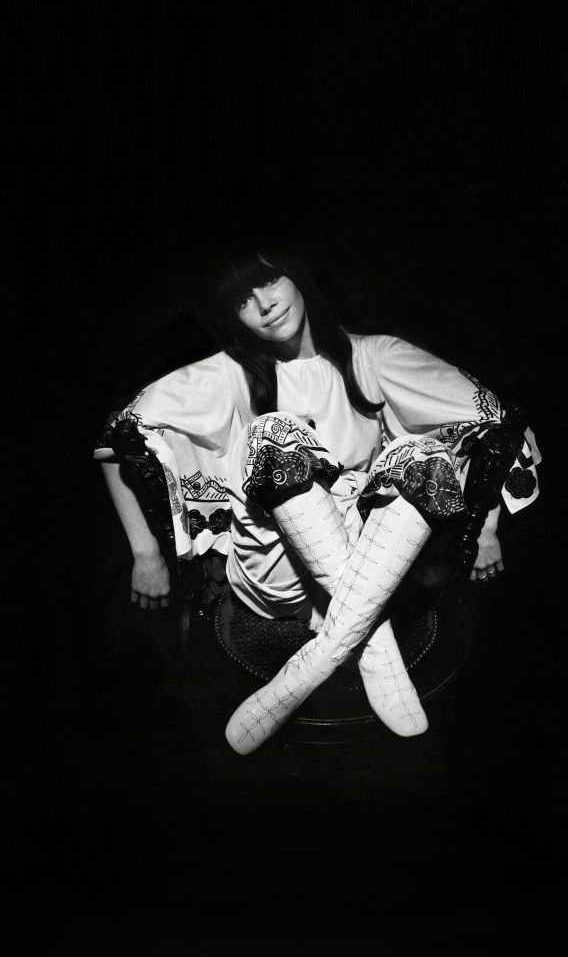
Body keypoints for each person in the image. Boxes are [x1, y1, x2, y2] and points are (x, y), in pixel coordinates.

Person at [96, 243, 541, 754]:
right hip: (277, 565)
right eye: (242, 300)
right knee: (273, 431)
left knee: (423, 454)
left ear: (296, 275)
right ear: (232, 316)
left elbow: (494, 423)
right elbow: (119, 438)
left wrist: (487, 526)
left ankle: (313, 663)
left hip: (370, 557)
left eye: (269, 280)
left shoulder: (374, 355)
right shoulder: (228, 373)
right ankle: (372, 642)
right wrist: (145, 554)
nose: (264, 304)